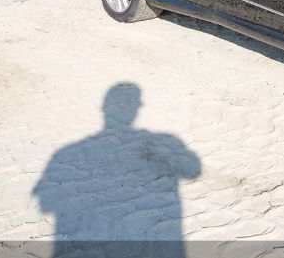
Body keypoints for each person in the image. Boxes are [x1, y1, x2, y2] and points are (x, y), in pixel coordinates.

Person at [33, 83, 201, 257]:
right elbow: (193, 171)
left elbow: (45, 204)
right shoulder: (159, 141)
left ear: (105, 108)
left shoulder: (66, 153)